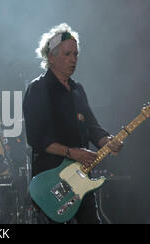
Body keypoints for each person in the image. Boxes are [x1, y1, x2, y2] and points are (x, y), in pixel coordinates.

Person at [23, 23, 123, 224]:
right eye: (68, 54)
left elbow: (92, 127)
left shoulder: (77, 90)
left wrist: (107, 140)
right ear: (51, 56)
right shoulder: (38, 88)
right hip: (52, 179)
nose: (73, 59)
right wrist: (73, 153)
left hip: (81, 176)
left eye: (76, 54)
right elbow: (36, 138)